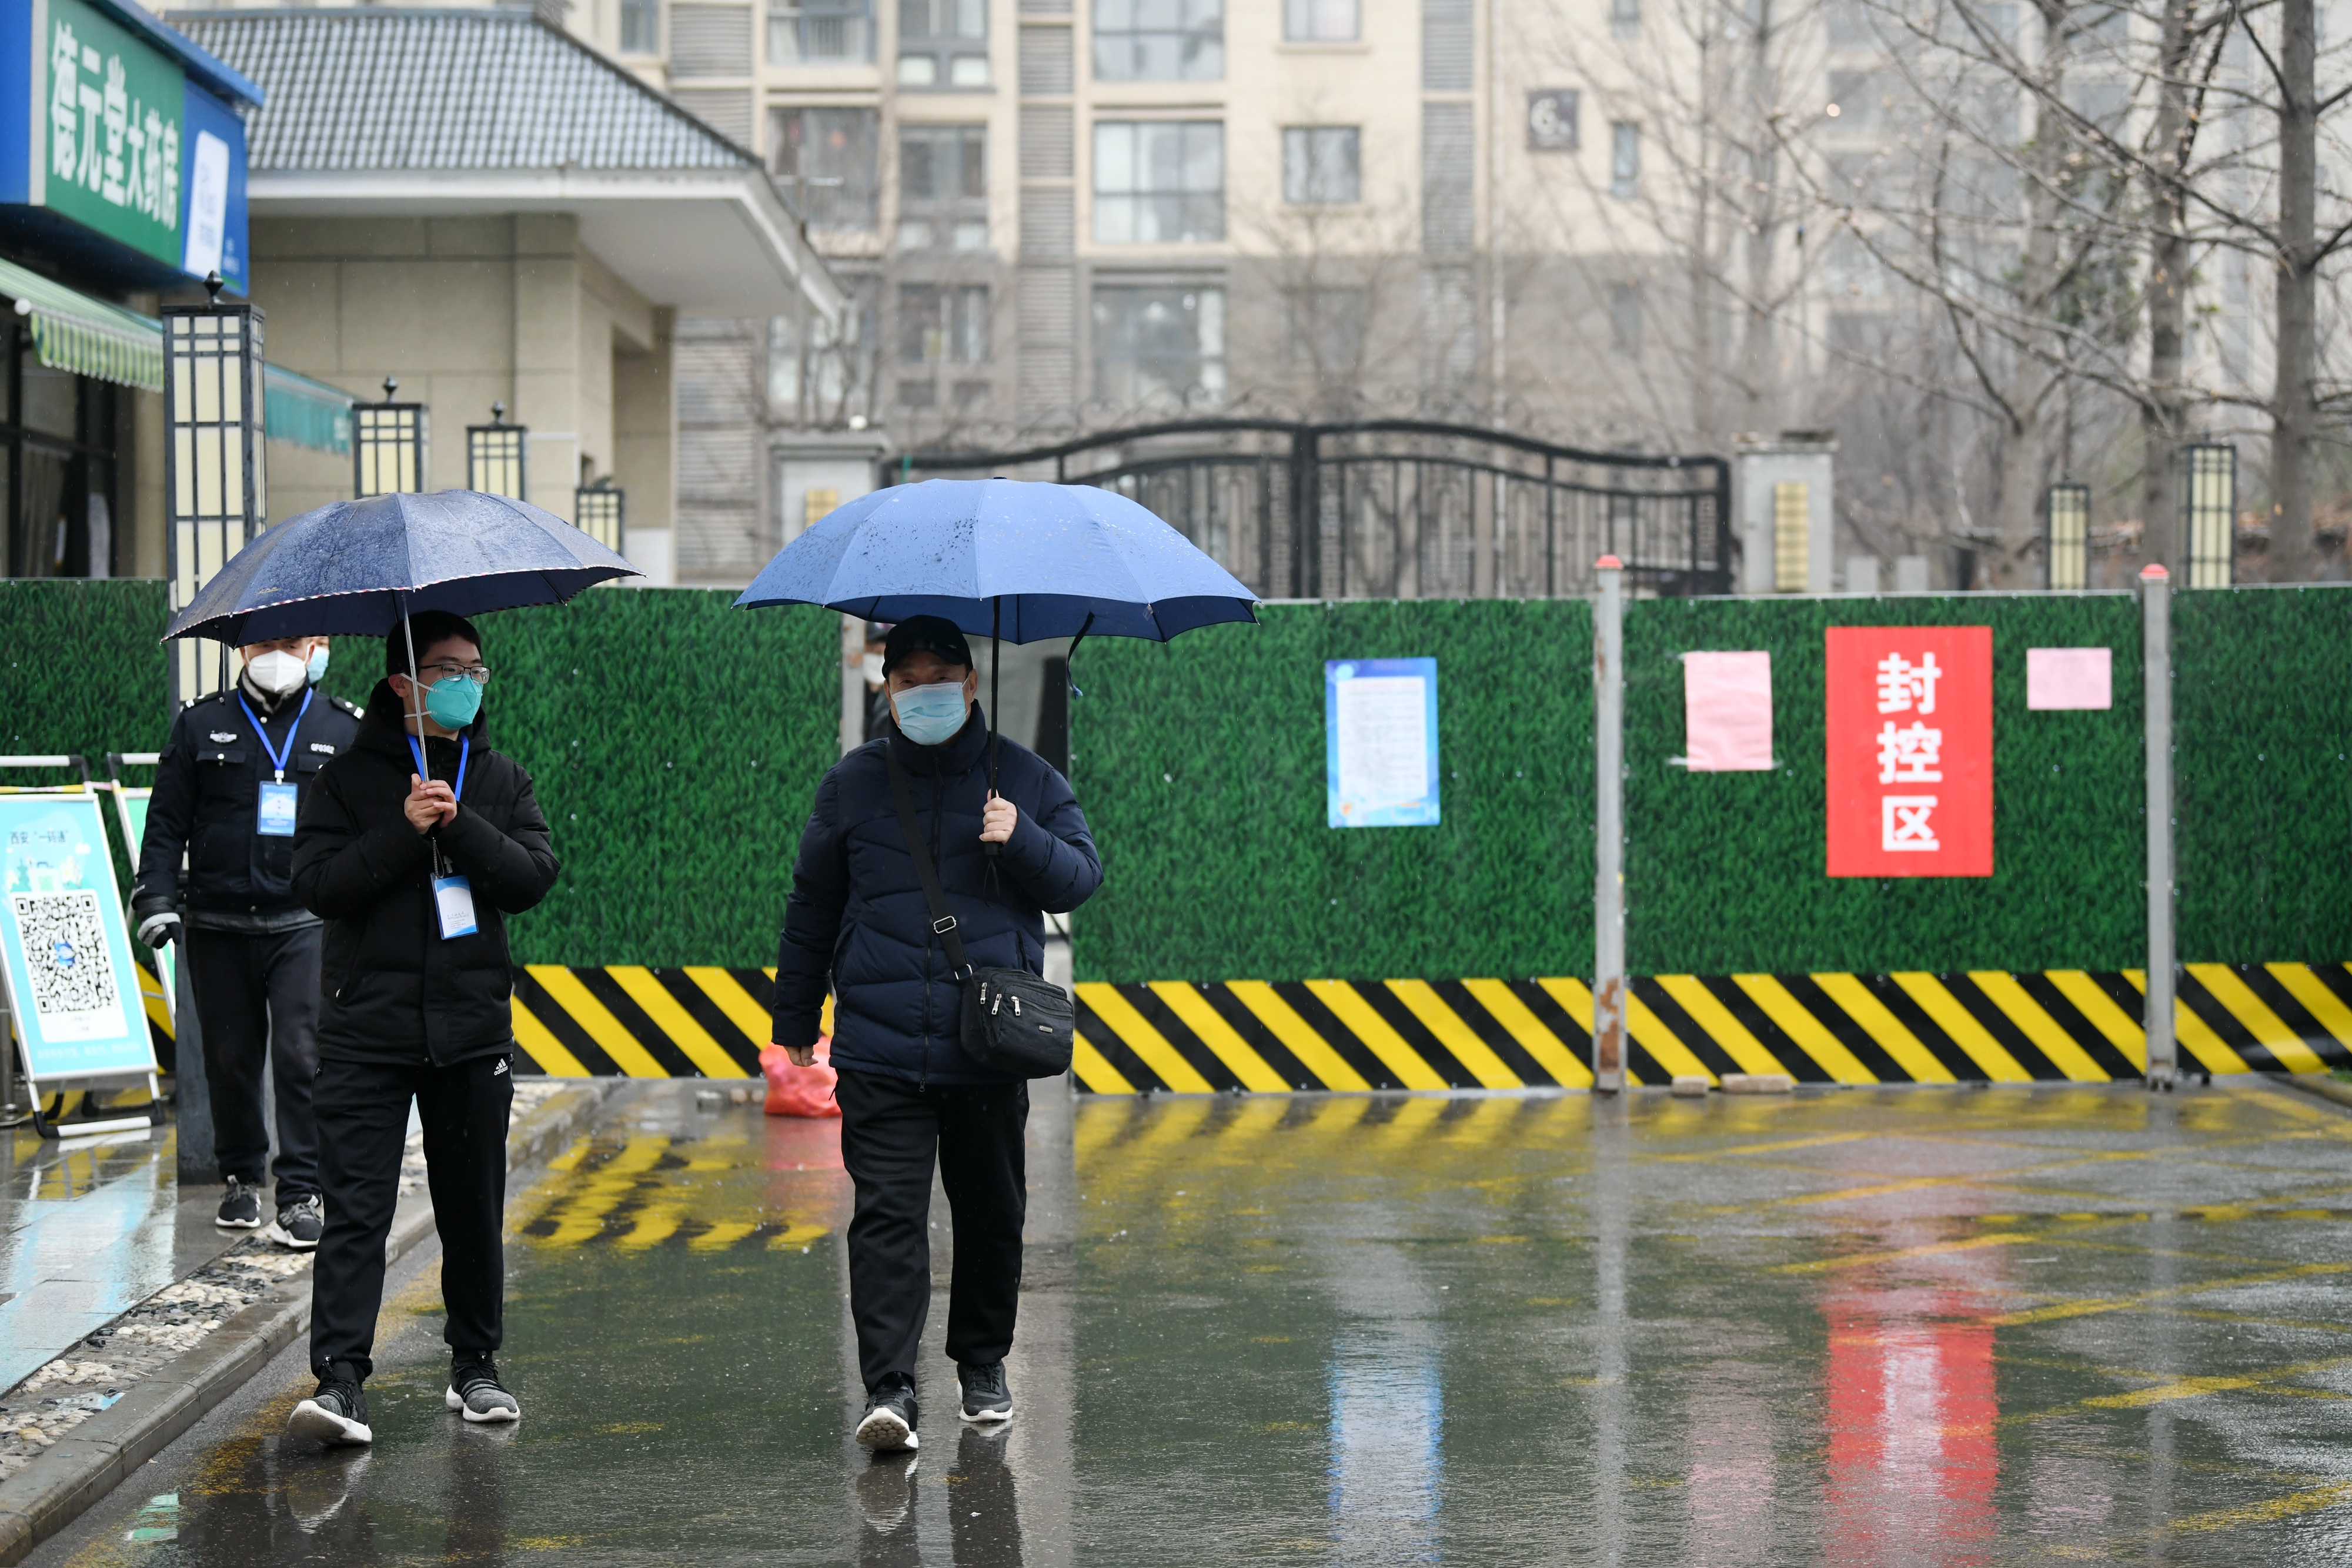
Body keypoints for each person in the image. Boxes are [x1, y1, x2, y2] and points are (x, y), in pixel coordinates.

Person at [771, 614, 1101, 1455]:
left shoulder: (1024, 777)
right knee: (886, 1217)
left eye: (939, 678)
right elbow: (812, 905)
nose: (924, 694)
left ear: (972, 683)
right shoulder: (852, 785)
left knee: (991, 1213)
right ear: (887, 689)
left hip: (986, 1046)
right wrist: (796, 1019)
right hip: (880, 1046)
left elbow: (1080, 877)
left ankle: (982, 1364)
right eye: (907, 680)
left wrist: (1021, 836)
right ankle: (889, 1386)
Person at [283, 611, 559, 1447]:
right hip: (365, 1033)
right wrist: (402, 830)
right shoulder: (341, 781)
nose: (466, 683)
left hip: (471, 1033)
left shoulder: (501, 777)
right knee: (357, 1211)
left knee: (472, 1208)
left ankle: (476, 1365)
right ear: (404, 682)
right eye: (448, 669)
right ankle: (340, 1380)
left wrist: (459, 823)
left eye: (476, 669)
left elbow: (531, 877)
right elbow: (319, 886)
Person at [133, 634, 359, 1249]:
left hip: (303, 922)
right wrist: (155, 897)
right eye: (265, 642)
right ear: (241, 650)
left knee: (301, 1052)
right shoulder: (199, 724)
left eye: (291, 641)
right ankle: (240, 1178)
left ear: (314, 648)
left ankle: (301, 1191)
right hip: (217, 923)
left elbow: (362, 827)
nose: (277, 653)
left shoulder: (341, 729)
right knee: (230, 1059)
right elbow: (167, 822)